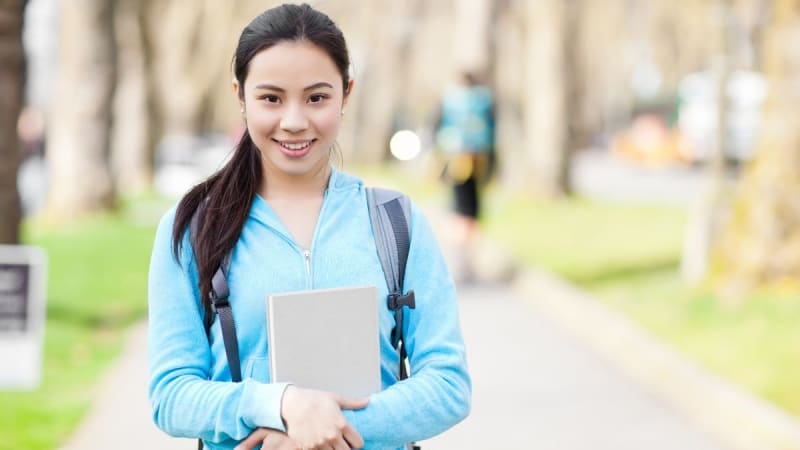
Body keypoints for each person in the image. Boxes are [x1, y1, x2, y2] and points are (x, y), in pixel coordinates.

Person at [147, 4, 471, 450]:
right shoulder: (192, 228)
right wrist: (280, 406)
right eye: (271, 98)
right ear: (240, 95)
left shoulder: (396, 221)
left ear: (346, 94)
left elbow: (448, 384)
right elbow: (171, 395)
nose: (294, 121)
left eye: (317, 97)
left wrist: (326, 431)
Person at [434, 71, 496, 281]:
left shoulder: (450, 100)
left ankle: (459, 257)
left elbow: (437, 129)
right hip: (478, 161)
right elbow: (492, 131)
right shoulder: (484, 101)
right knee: (470, 211)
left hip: (455, 161)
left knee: (457, 207)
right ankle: (466, 257)